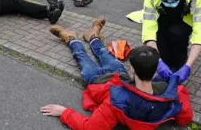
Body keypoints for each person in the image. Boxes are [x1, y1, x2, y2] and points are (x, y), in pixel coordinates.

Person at [40, 18, 193, 129]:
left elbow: (90, 127)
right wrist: (179, 121)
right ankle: (92, 35)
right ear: (155, 70)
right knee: (100, 53)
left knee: (83, 55)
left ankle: (71, 38)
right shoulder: (168, 90)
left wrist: (64, 112)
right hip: (118, 74)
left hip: (98, 80)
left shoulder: (117, 101)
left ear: (132, 69)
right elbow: (185, 116)